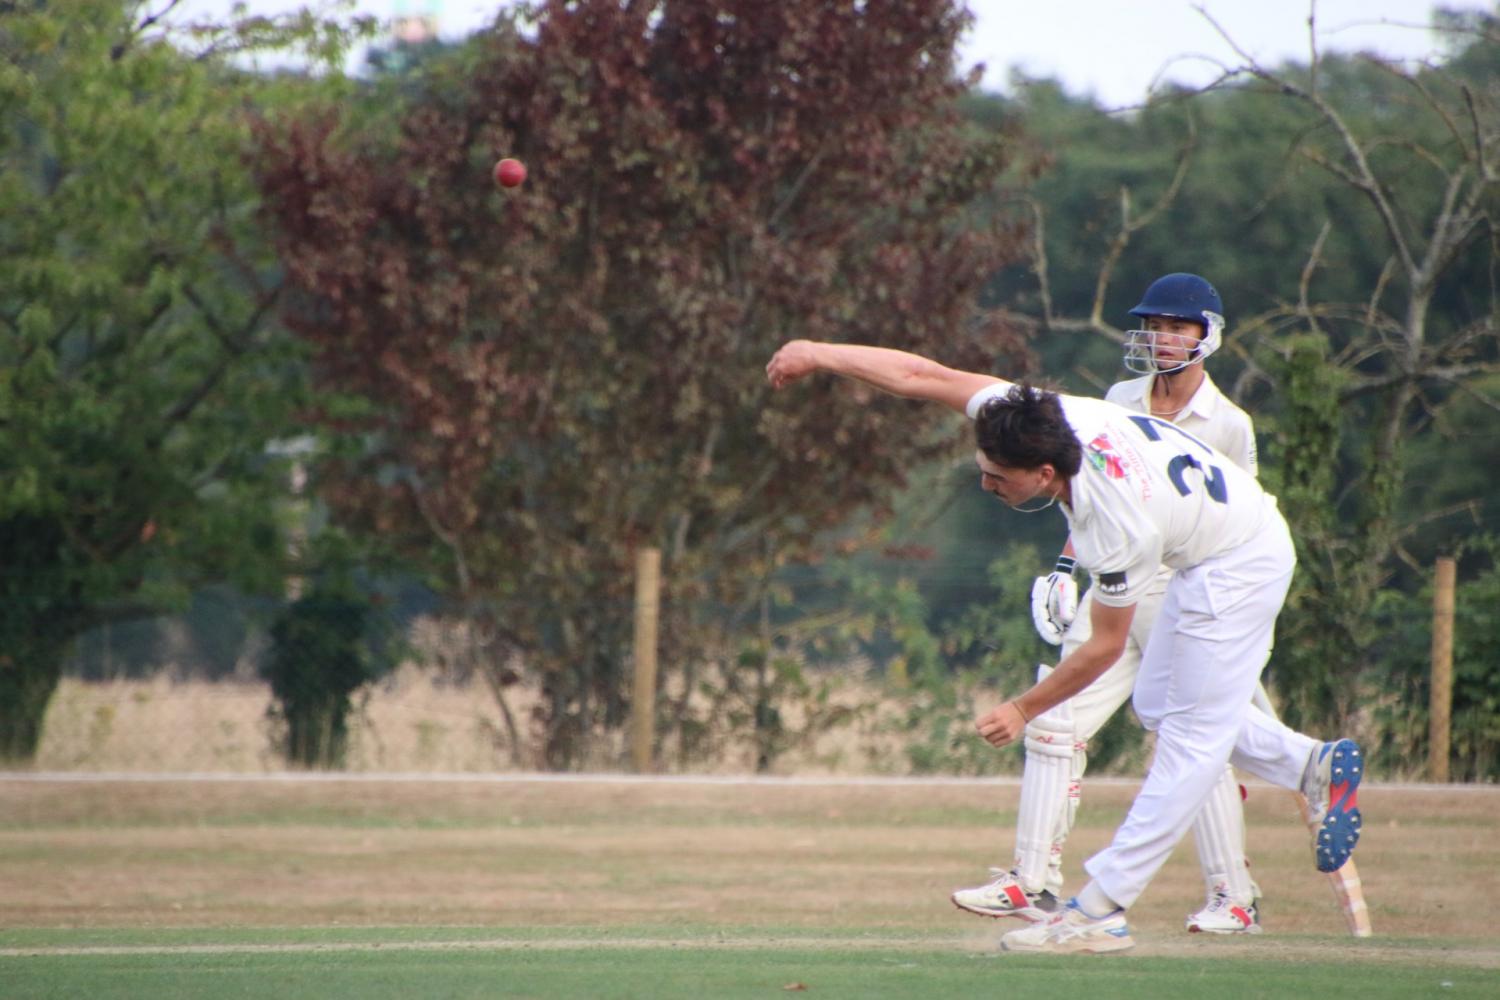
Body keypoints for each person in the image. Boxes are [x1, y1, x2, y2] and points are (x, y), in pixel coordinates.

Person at [763, 332, 1364, 955]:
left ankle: (1099, 911)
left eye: (998, 479)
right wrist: (820, 352)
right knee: (1157, 705)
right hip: (1207, 550)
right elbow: (922, 373)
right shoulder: (1041, 413)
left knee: (1188, 742)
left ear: (1044, 474)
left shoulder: (1112, 519)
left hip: (1240, 562)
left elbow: (1103, 649)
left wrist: (1023, 708)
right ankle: (1310, 767)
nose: (987, 484)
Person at [951, 274, 1267, 935]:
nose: (1161, 337)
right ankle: (1030, 883)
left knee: (1188, 738)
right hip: (1117, 583)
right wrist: (1068, 566)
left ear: (1206, 335)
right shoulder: (1123, 397)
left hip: (1185, 590)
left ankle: (1232, 895)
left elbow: (1237, 522)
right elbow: (1087, 490)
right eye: (1153, 324)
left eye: (1176, 326)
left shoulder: (1229, 424)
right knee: (1054, 724)